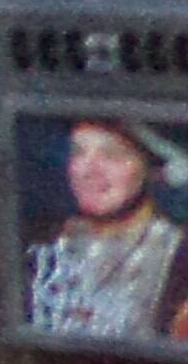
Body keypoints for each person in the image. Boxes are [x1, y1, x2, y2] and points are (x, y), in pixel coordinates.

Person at [24, 115, 188, 345]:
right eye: (77, 152)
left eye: (111, 156)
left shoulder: (179, 255)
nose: (87, 170)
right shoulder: (40, 242)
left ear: (153, 168)